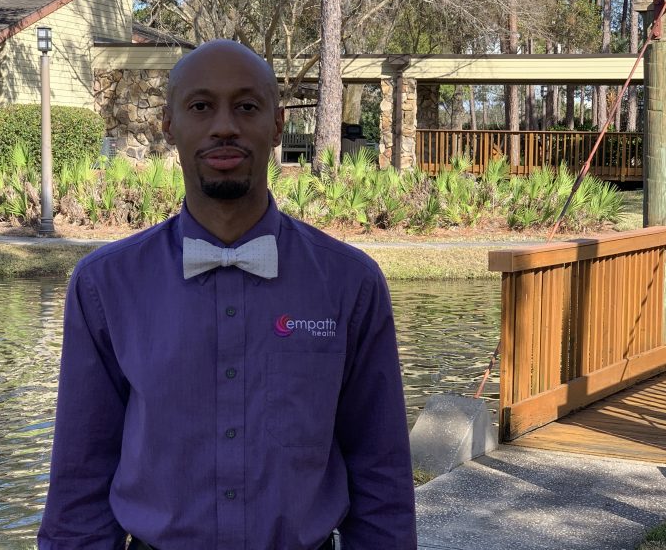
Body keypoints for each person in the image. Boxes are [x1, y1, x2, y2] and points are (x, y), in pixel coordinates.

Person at [38, 39, 417, 550]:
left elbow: (381, 474)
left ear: (277, 125)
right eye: (201, 106)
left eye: (246, 107)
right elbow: (80, 480)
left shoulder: (351, 284)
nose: (224, 126)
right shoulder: (104, 286)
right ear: (169, 124)